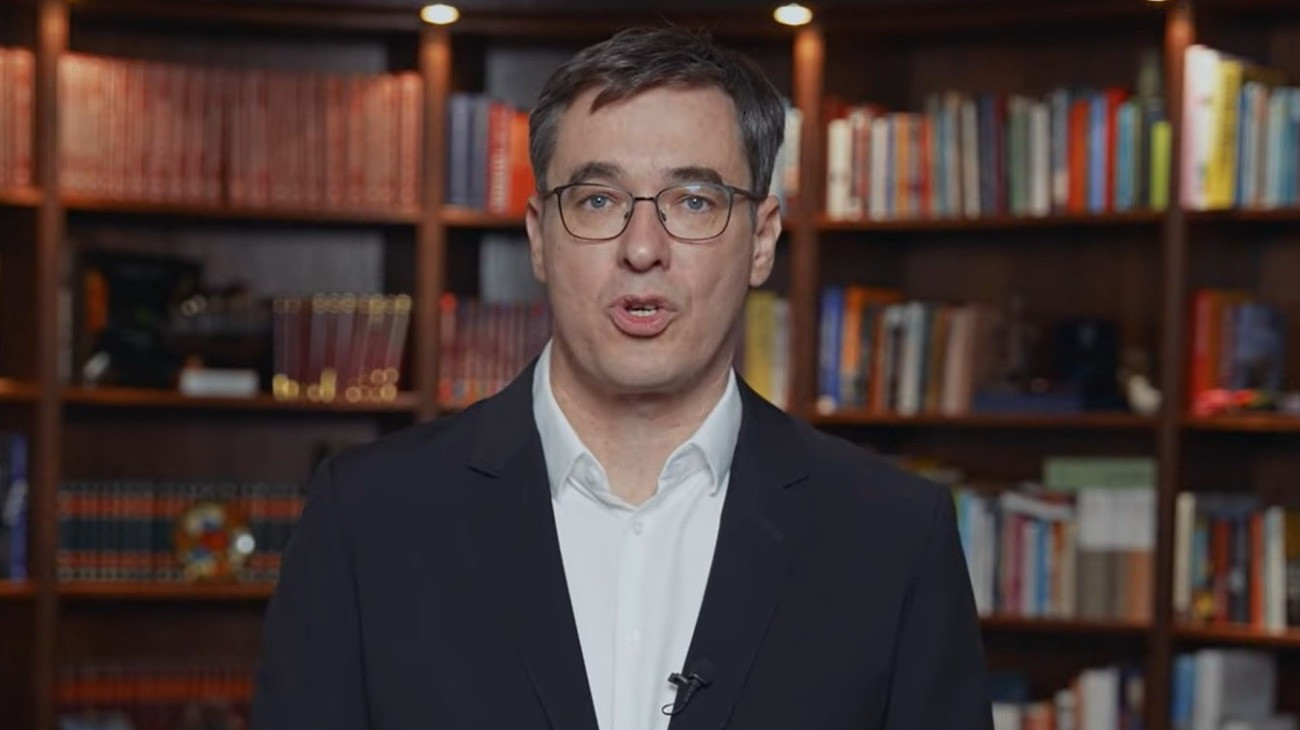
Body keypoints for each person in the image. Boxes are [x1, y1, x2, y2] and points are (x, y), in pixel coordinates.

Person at [251, 25, 992, 730]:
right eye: (598, 200)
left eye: (694, 201)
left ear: (762, 241)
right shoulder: (368, 517)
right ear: (540, 238)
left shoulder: (895, 533)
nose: (642, 249)